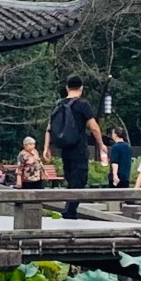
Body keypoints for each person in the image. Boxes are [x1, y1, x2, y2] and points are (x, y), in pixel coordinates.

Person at [43, 77, 108, 219]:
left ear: (67, 87)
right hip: (78, 147)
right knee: (80, 179)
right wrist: (101, 144)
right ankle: (70, 212)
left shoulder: (58, 104)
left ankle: (69, 209)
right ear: (81, 88)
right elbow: (94, 127)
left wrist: (46, 147)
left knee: (70, 177)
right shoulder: (83, 104)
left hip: (64, 147)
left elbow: (49, 128)